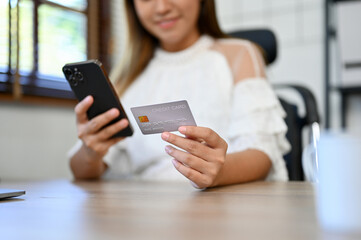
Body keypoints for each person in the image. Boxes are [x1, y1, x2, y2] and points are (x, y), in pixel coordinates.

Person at [68, 0, 290, 189]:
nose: (162, 7)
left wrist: (217, 172)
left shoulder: (240, 54)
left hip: (221, 206)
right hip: (144, 212)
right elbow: (82, 172)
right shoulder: (126, 78)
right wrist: (90, 151)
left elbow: (263, 153)